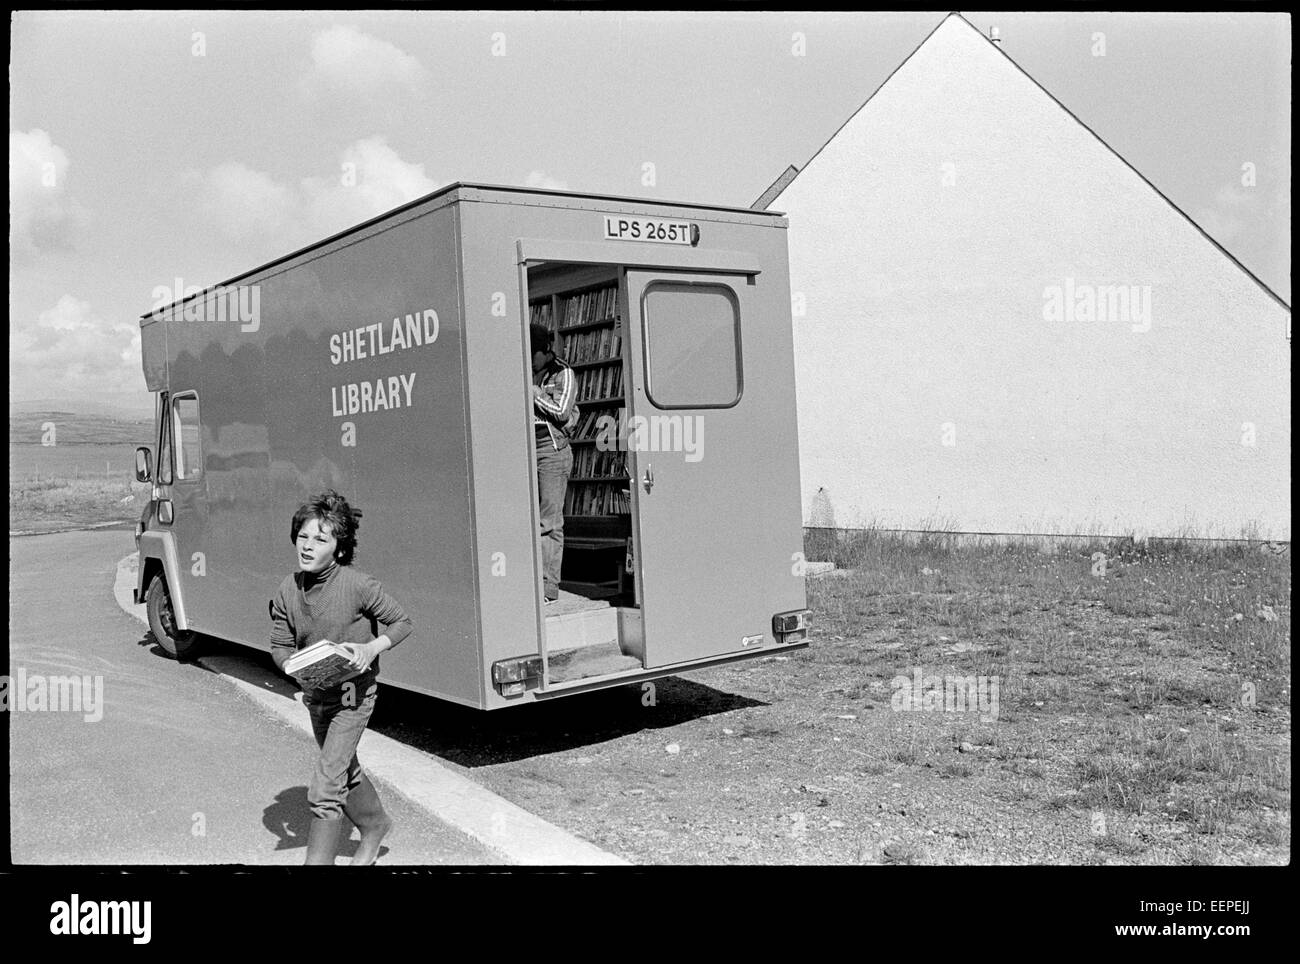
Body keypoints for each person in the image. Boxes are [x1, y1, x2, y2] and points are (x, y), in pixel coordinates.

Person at [269, 490, 414, 865]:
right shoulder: (288, 588)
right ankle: (375, 826)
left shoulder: (358, 585)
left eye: (320, 538)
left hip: (353, 694)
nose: (307, 545)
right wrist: (293, 667)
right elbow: (280, 645)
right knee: (343, 769)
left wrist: (371, 649)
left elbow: (402, 622)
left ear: (338, 547)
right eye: (303, 535)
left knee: (324, 786)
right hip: (317, 696)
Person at [530, 322, 578, 604]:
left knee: (548, 522)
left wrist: (536, 393)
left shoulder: (563, 373)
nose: (530, 360)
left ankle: (548, 588)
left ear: (545, 351)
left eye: (534, 353)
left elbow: (562, 412)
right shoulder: (526, 371)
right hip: (526, 448)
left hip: (551, 451)